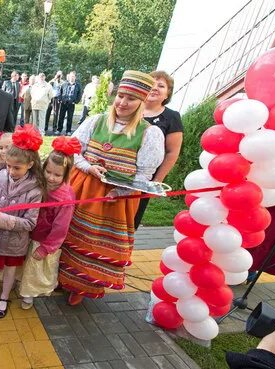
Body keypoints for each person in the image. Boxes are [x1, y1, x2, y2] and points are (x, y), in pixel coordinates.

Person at [59, 70, 165, 305]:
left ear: (141, 102)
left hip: (114, 199)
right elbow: (74, 150)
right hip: (81, 188)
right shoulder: (96, 120)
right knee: (67, 234)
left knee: (95, 241)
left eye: (131, 98)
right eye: (121, 96)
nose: (123, 102)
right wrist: (88, 167)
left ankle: (82, 285)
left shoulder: (149, 133)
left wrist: (119, 192)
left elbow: (144, 175)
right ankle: (60, 277)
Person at [0, 125, 46, 319]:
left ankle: (5, 296)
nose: (11, 171)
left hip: (14, 244)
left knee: (9, 271)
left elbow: (29, 224)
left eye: (17, 167)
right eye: (8, 166)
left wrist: (1, 219)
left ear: (30, 164)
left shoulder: (35, 191)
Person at [19, 136, 79, 309]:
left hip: (43, 240)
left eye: (57, 175)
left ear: (66, 175)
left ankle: (28, 295)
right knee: (23, 265)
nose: (51, 178)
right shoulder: (38, 184)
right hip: (28, 233)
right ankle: (19, 284)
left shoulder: (65, 198)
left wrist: (46, 248)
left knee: (34, 270)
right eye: (48, 172)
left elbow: (61, 227)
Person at [134, 71, 183, 228]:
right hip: (118, 170)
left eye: (161, 86)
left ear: (167, 94)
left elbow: (172, 152)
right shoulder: (131, 108)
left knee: (131, 217)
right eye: (151, 84)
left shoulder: (171, 117)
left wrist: (157, 181)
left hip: (145, 178)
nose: (154, 88)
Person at [56, 71, 82, 135]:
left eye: (73, 76)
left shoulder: (78, 85)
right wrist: (60, 99)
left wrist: (76, 101)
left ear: (75, 77)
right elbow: (60, 92)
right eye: (70, 76)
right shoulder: (64, 84)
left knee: (70, 118)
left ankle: (68, 131)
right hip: (63, 103)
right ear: (69, 77)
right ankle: (59, 130)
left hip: (71, 104)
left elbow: (79, 94)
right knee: (61, 117)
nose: (71, 78)